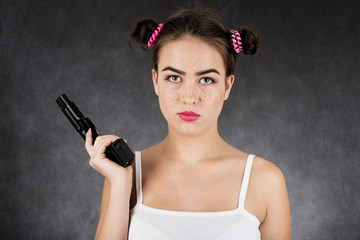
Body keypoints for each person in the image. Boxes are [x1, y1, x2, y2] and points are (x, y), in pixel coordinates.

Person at [85, 8, 291, 240]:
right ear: (156, 81)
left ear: (227, 86)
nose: (190, 97)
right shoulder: (124, 174)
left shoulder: (265, 180)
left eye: (206, 79)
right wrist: (121, 184)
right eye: (174, 77)